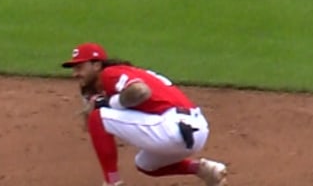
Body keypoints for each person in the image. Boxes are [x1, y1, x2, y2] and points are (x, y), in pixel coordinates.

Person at [62, 42, 229, 186]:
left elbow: (140, 92)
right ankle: (204, 169)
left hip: (172, 128)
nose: (75, 73)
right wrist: (94, 101)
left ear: (97, 65)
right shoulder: (126, 73)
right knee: (145, 164)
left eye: (79, 67)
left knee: (98, 117)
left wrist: (109, 103)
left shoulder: (109, 74)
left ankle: (112, 182)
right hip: (195, 130)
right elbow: (90, 126)